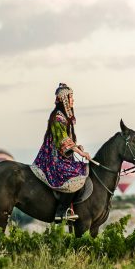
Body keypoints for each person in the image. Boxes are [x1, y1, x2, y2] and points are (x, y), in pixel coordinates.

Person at [31, 83, 91, 221]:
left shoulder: (64, 117)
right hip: (53, 158)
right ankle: (61, 211)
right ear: (64, 99)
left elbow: (68, 140)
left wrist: (77, 147)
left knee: (79, 169)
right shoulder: (58, 118)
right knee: (74, 174)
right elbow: (63, 140)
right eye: (71, 97)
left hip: (63, 155)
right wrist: (81, 153)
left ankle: (71, 208)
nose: (73, 100)